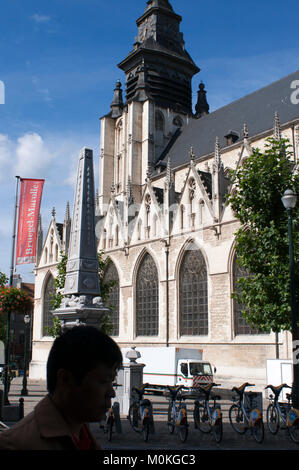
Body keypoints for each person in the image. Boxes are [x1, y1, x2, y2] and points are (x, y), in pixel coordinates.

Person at [0, 325, 122, 450]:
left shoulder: (85, 438)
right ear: (65, 379)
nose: (111, 393)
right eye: (103, 381)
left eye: (111, 382)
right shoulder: (14, 444)